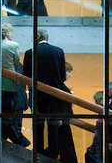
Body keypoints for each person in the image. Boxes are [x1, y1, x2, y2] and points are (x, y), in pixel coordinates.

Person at [23, 29, 74, 163]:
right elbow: (62, 75)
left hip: (37, 94)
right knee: (53, 126)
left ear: (38, 37)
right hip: (54, 94)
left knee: (38, 124)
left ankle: (38, 153)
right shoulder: (58, 51)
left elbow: (26, 75)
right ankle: (52, 152)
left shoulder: (30, 53)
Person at [0, 23, 31, 146]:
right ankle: (20, 143)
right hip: (14, 93)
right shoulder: (14, 47)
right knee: (12, 124)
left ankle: (14, 143)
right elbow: (16, 65)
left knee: (1, 124)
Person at [85, 91, 106, 163]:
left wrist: (93, 148)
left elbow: (98, 136)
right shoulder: (102, 114)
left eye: (96, 101)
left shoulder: (102, 115)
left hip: (99, 148)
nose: (95, 103)